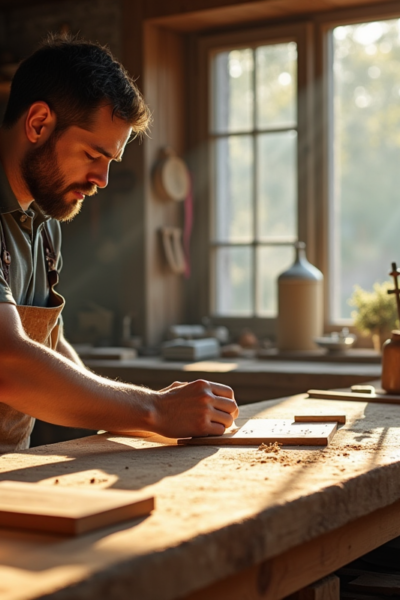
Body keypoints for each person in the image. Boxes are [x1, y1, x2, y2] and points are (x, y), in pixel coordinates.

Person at [0, 34, 238, 453]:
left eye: (111, 162)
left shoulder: (42, 221)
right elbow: (9, 364)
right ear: (38, 123)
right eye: (93, 154)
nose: (102, 180)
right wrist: (154, 410)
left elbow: (50, 347)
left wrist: (149, 418)